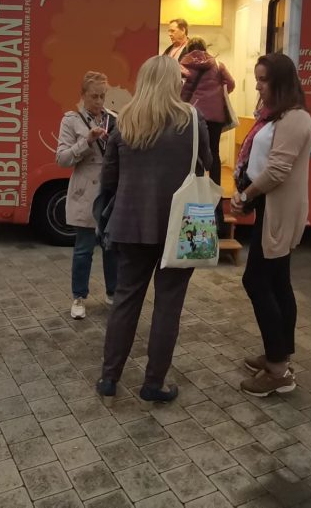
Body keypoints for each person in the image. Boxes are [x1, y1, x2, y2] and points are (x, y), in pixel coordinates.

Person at [97, 56, 212, 403]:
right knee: (168, 305)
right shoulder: (192, 119)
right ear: (171, 82)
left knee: (125, 300)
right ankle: (153, 383)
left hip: (130, 225)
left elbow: (109, 179)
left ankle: (109, 377)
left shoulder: (125, 122)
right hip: (181, 227)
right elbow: (205, 162)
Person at [230, 53, 311, 397]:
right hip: (268, 207)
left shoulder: (295, 119)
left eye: (263, 79)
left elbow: (277, 170)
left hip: (276, 210)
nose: (258, 85)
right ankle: (279, 355)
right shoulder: (274, 116)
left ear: (280, 82)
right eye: (257, 78)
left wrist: (245, 194)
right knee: (278, 282)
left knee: (257, 280)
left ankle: (278, 370)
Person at [56, 71, 118, 320]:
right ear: (82, 95)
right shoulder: (71, 121)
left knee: (112, 247)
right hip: (85, 192)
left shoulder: (114, 120)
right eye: (94, 96)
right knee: (83, 249)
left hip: (110, 192)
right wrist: (87, 142)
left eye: (103, 96)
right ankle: (78, 297)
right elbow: (61, 159)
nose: (100, 102)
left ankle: (113, 293)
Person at [180, 37, 236, 236]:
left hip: (195, 115)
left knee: (196, 153)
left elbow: (182, 91)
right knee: (214, 153)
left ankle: (198, 194)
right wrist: (218, 94)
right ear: (205, 48)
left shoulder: (184, 65)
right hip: (215, 116)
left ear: (189, 49)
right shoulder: (218, 64)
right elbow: (231, 83)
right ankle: (216, 195)